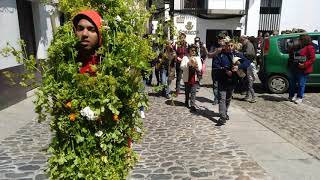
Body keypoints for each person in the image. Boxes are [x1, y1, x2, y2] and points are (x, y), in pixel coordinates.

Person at [213, 40, 250, 125]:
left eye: (231, 45)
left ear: (234, 46)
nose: (229, 47)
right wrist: (225, 71)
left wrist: (238, 66)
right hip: (222, 80)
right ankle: (222, 117)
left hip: (232, 81)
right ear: (225, 46)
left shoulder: (237, 55)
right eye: (228, 45)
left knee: (228, 98)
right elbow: (216, 65)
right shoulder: (220, 55)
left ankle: (225, 112)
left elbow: (247, 62)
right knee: (222, 99)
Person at [288, 34, 316, 104]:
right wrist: (291, 49)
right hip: (294, 67)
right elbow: (292, 56)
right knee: (292, 83)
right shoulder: (297, 46)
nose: (298, 40)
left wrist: (304, 64)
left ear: (304, 40)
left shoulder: (310, 47)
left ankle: (299, 97)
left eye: (300, 39)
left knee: (301, 84)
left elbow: (313, 59)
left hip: (303, 69)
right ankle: (291, 96)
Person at [73, 10, 103, 75]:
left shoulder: (105, 63)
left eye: (91, 29)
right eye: (80, 29)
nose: (84, 34)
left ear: (100, 34)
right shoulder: (69, 59)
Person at [181, 44, 202, 112]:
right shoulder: (185, 58)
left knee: (193, 92)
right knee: (187, 91)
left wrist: (196, 66)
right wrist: (187, 64)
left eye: (194, 50)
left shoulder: (198, 58)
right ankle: (186, 100)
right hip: (187, 77)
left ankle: (192, 105)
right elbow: (181, 67)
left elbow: (200, 68)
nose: (193, 52)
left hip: (194, 78)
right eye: (192, 50)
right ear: (189, 51)